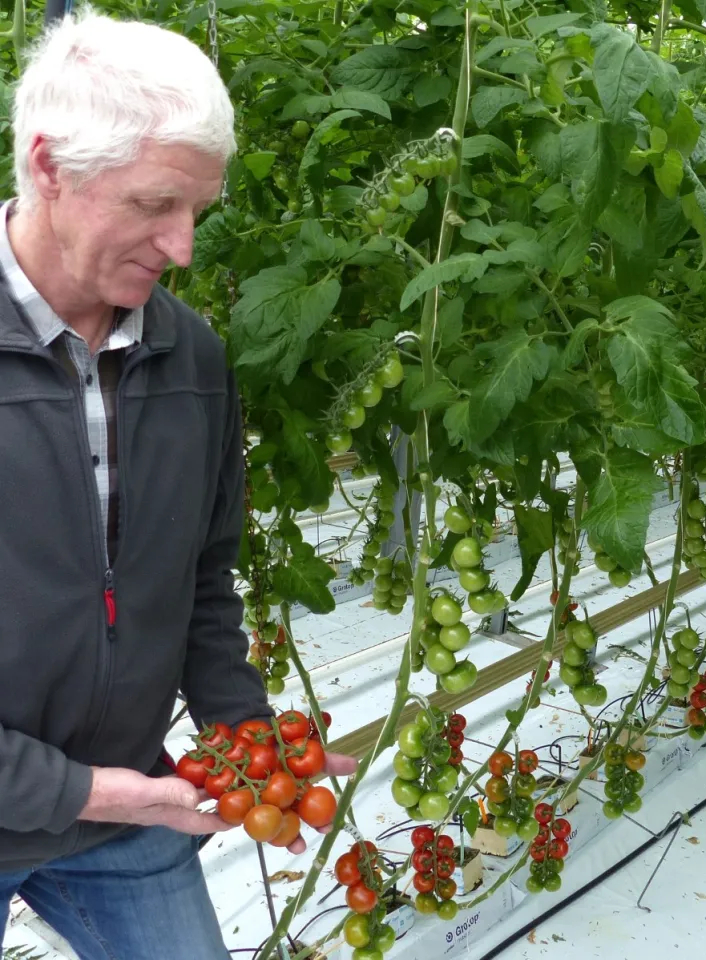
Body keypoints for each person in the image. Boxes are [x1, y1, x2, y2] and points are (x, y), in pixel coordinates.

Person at [0, 9, 355, 959]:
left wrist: (257, 744)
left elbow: (200, 578)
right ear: (48, 167)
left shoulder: (188, 354)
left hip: (125, 815)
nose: (184, 245)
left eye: (198, 208)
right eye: (155, 204)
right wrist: (79, 789)